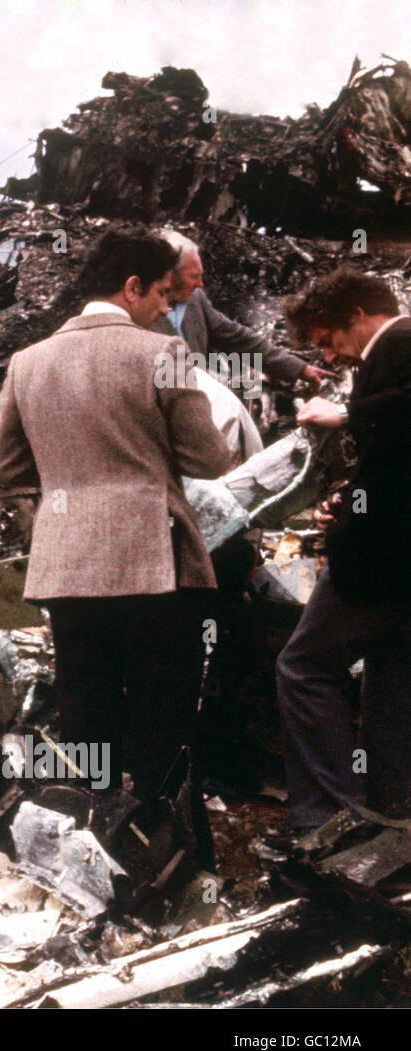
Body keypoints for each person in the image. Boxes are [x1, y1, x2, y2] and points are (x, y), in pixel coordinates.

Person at [0, 228, 234, 864]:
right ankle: (161, 843)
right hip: (153, 559)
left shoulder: (28, 361)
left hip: (67, 562)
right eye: (159, 293)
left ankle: (93, 843)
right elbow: (209, 457)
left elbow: (7, 469)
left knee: (85, 706)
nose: (165, 306)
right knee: (161, 706)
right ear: (131, 288)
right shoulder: (165, 353)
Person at [272, 269, 411, 840]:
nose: (330, 355)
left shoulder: (399, 345)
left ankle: (331, 818)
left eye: (328, 339)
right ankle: (390, 817)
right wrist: (348, 501)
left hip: (383, 556)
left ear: (357, 315)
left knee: (302, 666)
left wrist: (349, 414)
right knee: (391, 682)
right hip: (392, 547)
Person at [155, 230, 334, 391]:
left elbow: (239, 339)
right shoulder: (137, 314)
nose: (200, 284)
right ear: (169, 276)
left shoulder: (195, 300)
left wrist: (300, 369)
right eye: (194, 277)